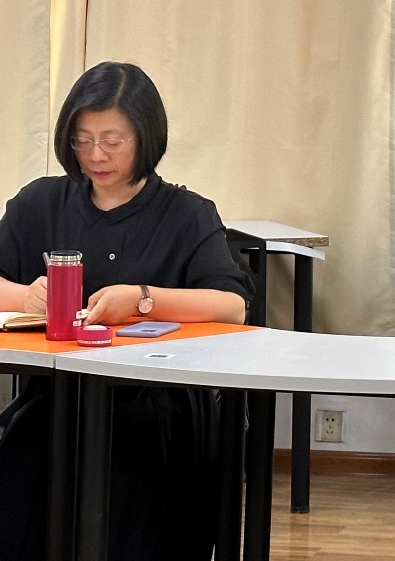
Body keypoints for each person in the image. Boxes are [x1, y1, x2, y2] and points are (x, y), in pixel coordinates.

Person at [0, 61, 253, 561]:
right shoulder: (40, 202)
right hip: (57, 398)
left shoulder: (186, 213)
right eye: (82, 140)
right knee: (19, 480)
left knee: (129, 485)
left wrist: (142, 299)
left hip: (157, 406)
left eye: (112, 141)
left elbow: (233, 306)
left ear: (146, 136)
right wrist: (25, 296)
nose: (96, 155)